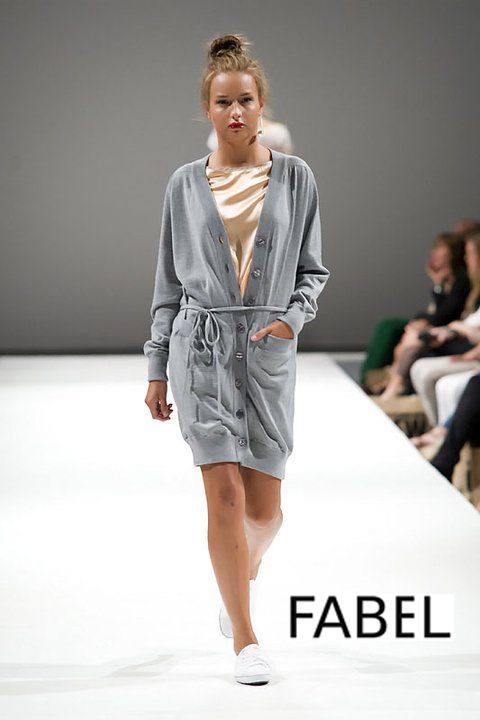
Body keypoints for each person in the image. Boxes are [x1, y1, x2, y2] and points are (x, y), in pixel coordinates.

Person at [142, 33, 330, 685]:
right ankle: (246, 639)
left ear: (260, 103)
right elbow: (168, 283)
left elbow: (313, 269)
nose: (235, 112)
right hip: (201, 349)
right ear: (208, 108)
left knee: (264, 513)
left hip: (268, 353)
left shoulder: (297, 178)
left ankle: (239, 579)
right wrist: (156, 366)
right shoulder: (183, 185)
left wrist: (291, 319)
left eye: (245, 100)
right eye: (223, 102)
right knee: (222, 493)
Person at [362, 225, 476, 395]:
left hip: (451, 332)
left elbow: (443, 315)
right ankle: (386, 382)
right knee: (401, 335)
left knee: (405, 336)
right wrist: (437, 284)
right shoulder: (452, 280)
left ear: (451, 252)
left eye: (439, 249)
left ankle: (392, 385)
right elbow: (439, 311)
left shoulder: (462, 282)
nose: (434, 253)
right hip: (448, 329)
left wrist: (427, 319)